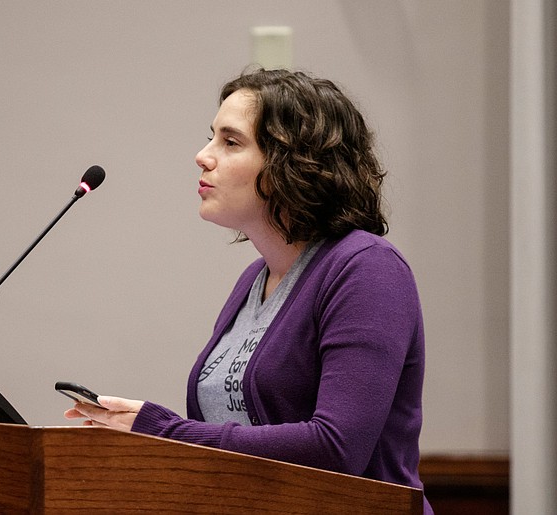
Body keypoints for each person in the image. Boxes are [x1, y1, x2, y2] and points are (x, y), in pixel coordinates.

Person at [65, 68, 432, 512]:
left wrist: (162, 431)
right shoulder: (252, 281)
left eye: (231, 142)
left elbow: (336, 449)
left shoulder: (367, 268)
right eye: (211, 137)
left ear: (294, 163)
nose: (203, 156)